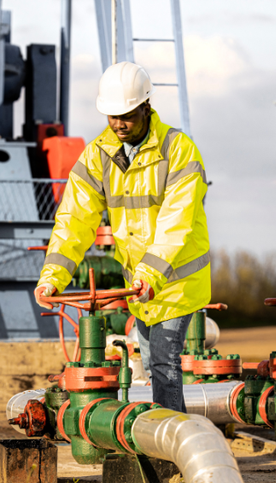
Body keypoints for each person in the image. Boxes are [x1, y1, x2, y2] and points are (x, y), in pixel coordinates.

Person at [34, 61, 211, 413]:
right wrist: (52, 277)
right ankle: (163, 436)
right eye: (111, 116)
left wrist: (149, 274)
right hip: (140, 287)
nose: (118, 124)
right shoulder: (98, 155)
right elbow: (74, 219)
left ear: (146, 106)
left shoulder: (178, 150)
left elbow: (175, 224)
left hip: (175, 282)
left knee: (164, 364)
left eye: (127, 115)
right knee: (151, 366)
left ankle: (172, 448)